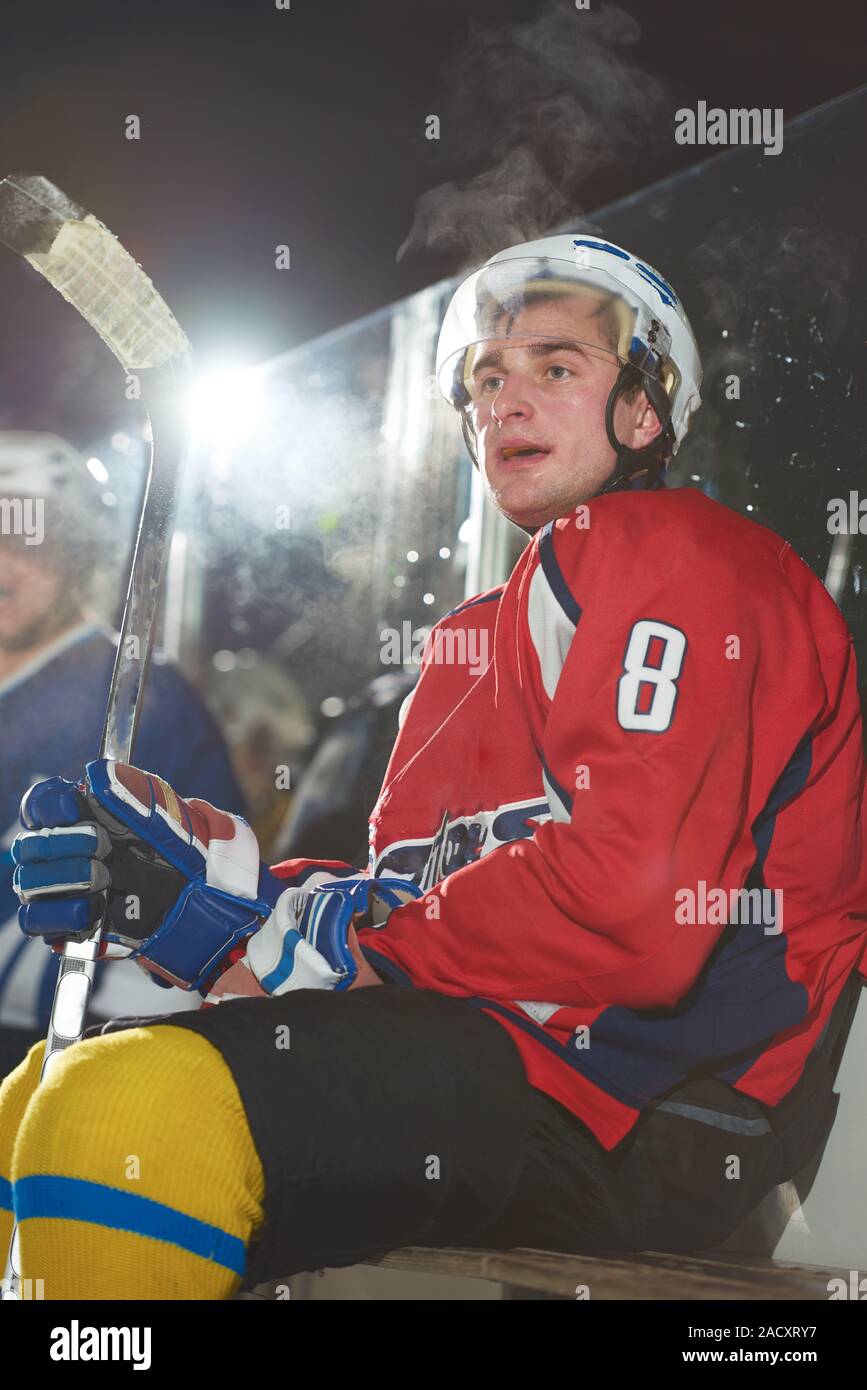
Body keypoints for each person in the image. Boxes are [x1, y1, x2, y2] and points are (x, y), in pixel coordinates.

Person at [1, 236, 865, 1300]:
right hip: (519, 1068)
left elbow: (631, 911)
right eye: (487, 377)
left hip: (655, 1107)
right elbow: (424, 907)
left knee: (126, 1110)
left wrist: (297, 944)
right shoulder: (476, 638)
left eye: (556, 368)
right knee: (32, 1095)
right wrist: (201, 889)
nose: (507, 399)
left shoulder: (677, 550)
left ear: (643, 414)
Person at [0, 432, 247, 1078]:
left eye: (27, 542)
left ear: (76, 553)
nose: (1, 564)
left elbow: (217, 902)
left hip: (71, 1055)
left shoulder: (140, 696)